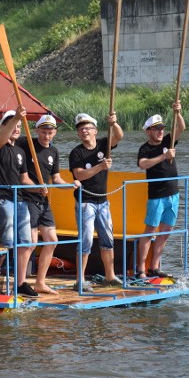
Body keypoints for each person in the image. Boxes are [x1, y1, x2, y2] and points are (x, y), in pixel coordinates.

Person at [16, 114, 81, 294]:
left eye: (50, 132)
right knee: (30, 243)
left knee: (52, 240)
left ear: (54, 133)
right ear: (37, 131)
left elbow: (56, 179)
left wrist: (70, 185)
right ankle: (20, 283)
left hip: (43, 202)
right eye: (43, 132)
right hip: (27, 199)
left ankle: (40, 282)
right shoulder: (26, 143)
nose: (46, 135)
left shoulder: (54, 152)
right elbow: (11, 140)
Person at [0, 107, 38, 298]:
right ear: (4, 126)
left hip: (19, 199)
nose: (16, 128)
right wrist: (16, 117)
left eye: (19, 126)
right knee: (7, 240)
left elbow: (24, 179)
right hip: (1, 198)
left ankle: (20, 283)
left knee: (25, 242)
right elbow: (1, 138)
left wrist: (39, 187)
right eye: (13, 125)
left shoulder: (20, 151)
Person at [68, 111, 124, 291]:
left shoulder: (103, 144)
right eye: (81, 129)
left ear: (95, 130)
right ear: (78, 134)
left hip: (103, 201)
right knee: (85, 242)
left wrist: (114, 123)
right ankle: (80, 280)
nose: (84, 132)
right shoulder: (76, 153)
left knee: (107, 239)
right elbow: (79, 175)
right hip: (86, 202)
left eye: (87, 128)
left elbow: (119, 136)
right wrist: (101, 166)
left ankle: (110, 276)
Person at [136, 101, 186, 278]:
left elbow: (181, 127)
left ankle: (154, 266)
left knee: (165, 232)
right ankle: (141, 269)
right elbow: (143, 164)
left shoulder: (168, 141)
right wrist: (163, 156)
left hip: (173, 194)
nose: (160, 131)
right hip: (156, 196)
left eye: (162, 128)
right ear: (148, 131)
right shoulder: (146, 148)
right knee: (149, 232)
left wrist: (177, 112)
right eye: (156, 129)